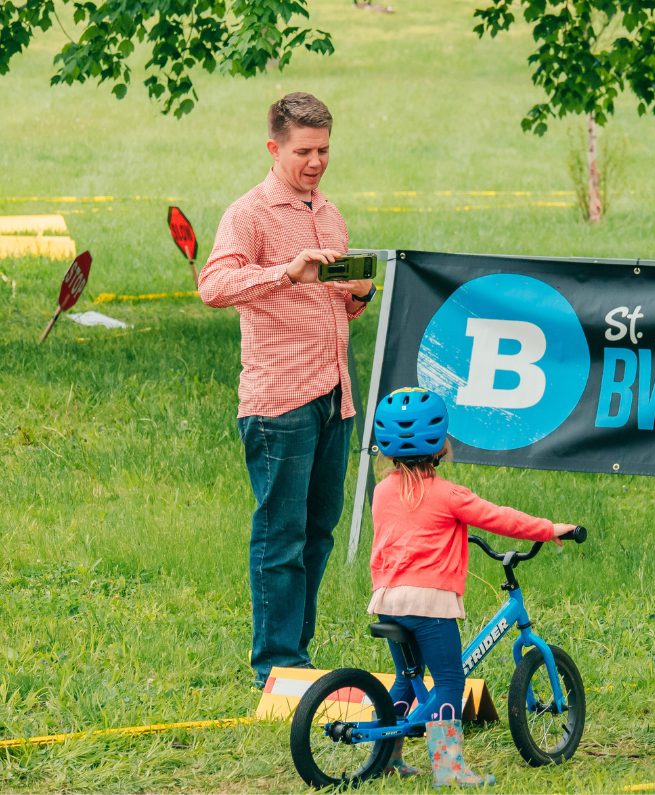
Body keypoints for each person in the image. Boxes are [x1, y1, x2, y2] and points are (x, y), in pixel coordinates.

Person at [198, 92, 377, 689]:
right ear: (274, 148)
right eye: (303, 151)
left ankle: (296, 655)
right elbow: (214, 285)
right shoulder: (248, 213)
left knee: (318, 532)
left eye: (324, 149)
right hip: (279, 401)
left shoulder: (330, 214)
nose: (316, 161)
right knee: (281, 535)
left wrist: (359, 293)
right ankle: (275, 666)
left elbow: (339, 309)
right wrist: (286, 271)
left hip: (334, 395)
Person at [369, 387, 576, 787]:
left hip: (388, 599)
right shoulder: (449, 495)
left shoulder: (381, 492)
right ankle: (449, 768)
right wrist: (548, 528)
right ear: (440, 446)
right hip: (429, 604)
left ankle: (388, 756)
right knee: (449, 681)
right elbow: (500, 518)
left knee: (406, 678)